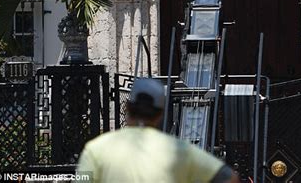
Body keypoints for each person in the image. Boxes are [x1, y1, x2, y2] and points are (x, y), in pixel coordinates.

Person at [77, 77, 239, 183]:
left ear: (127, 107)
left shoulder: (96, 149)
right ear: (160, 113)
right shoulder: (179, 150)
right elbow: (230, 178)